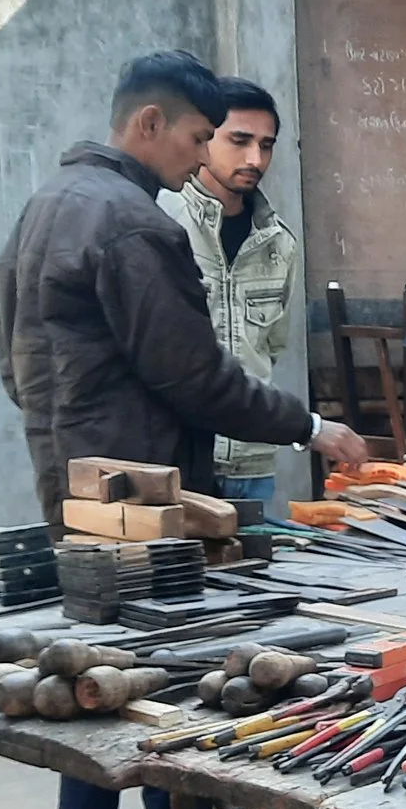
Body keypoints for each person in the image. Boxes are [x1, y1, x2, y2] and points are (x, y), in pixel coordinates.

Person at [0, 51, 368, 809]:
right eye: (203, 136)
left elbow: (10, 353)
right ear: (150, 124)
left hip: (76, 481)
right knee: (124, 686)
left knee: (136, 677)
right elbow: (196, 377)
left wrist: (65, 438)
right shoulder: (133, 224)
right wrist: (310, 427)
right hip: (141, 497)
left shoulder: (47, 205)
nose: (206, 154)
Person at [162, 77, 298, 506]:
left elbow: (270, 350)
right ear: (204, 140)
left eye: (267, 145)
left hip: (254, 462)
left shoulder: (279, 243)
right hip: (176, 462)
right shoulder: (162, 223)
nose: (255, 158)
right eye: (239, 140)